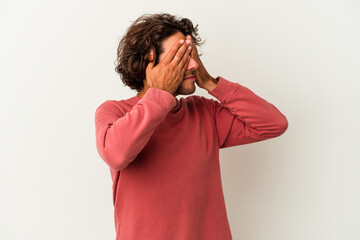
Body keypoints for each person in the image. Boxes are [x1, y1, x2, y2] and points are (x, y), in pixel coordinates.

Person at [94, 13, 288, 240]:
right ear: (149, 62)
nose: (194, 64)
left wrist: (210, 83)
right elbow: (116, 154)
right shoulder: (114, 112)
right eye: (181, 57)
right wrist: (160, 94)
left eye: (193, 55)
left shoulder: (204, 113)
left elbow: (274, 123)